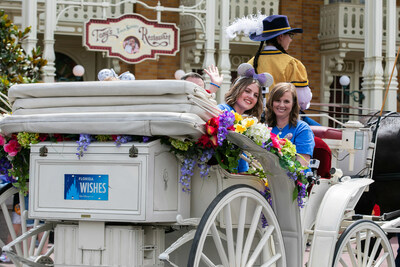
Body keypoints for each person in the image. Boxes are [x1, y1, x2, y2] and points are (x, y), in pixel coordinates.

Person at [218, 63, 272, 172]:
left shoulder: (245, 122)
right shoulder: (223, 110)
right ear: (237, 90)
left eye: (255, 95)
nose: (251, 97)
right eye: (247, 91)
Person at [266, 82, 315, 167]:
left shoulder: (302, 129)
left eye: (286, 101)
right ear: (271, 102)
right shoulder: (264, 129)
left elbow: (302, 165)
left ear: (293, 104)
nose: (281, 105)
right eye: (277, 100)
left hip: (293, 178)